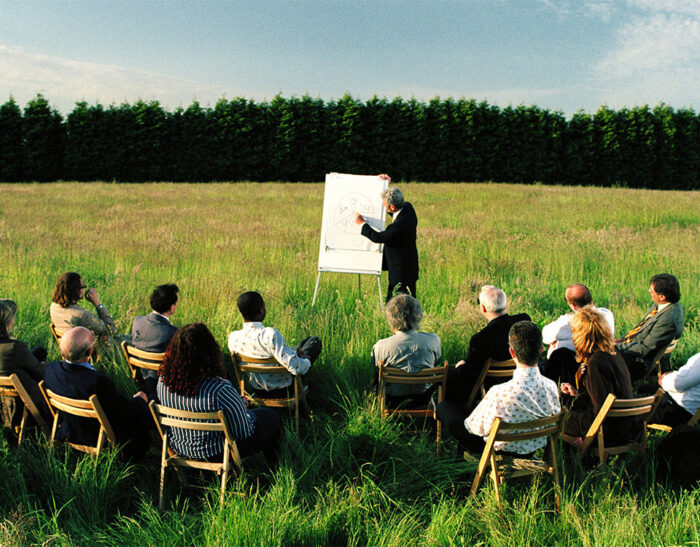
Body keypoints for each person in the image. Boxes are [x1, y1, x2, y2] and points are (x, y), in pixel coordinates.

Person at [158, 323, 281, 461]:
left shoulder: (162, 382)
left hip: (181, 448)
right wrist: (243, 411)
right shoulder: (219, 389)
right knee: (270, 416)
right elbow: (243, 432)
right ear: (209, 352)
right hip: (216, 452)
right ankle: (275, 465)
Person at [441, 321, 560, 456]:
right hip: (533, 447)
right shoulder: (551, 386)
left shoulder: (499, 392)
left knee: (443, 408)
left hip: (499, 451)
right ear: (541, 350)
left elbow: (474, 428)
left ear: (512, 352)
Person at [43, 327, 151, 461]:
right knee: (146, 405)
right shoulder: (98, 381)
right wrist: (139, 400)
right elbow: (124, 415)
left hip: (68, 430)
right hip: (95, 436)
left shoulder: (51, 370)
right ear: (90, 351)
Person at [443, 285, 530, 405]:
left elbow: (470, 375)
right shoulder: (523, 321)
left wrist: (460, 367)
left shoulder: (480, 339)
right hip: (521, 383)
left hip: (493, 388)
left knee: (451, 373)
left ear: (483, 308)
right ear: (505, 304)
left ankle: (453, 410)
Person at [563, 308, 636, 447]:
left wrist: (585, 435)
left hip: (609, 431)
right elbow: (604, 395)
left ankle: (557, 464)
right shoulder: (612, 353)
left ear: (580, 336)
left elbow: (600, 409)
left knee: (557, 419)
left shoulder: (596, 362)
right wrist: (578, 393)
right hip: (624, 425)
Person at [228, 291, 321, 398]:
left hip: (257, 389)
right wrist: (306, 360)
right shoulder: (270, 334)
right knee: (314, 341)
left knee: (297, 348)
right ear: (260, 310)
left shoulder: (233, 338)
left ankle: (294, 354)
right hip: (284, 389)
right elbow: (295, 367)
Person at [354, 175, 419, 303]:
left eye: (385, 205)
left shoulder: (397, 227)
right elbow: (394, 205)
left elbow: (378, 237)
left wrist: (362, 223)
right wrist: (385, 186)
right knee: (410, 302)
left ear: (392, 207)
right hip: (410, 267)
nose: (384, 207)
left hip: (400, 271)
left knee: (395, 303)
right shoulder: (408, 208)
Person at [372, 294, 441, 408]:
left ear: (391, 318)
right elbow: (437, 361)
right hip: (423, 396)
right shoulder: (433, 340)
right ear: (418, 316)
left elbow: (376, 369)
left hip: (393, 398)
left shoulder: (380, 346)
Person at [541, 284, 614, 389]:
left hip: (578, 371)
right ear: (590, 297)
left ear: (573, 305)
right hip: (599, 367)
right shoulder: (607, 314)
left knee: (560, 353)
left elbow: (546, 335)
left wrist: (557, 344)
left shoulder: (569, 322)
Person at [616, 273, 684, 380]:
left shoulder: (669, 319)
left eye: (652, 291)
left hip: (639, 360)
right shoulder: (663, 305)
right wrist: (619, 340)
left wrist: (615, 347)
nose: (649, 291)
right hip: (633, 347)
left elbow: (645, 349)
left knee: (599, 360)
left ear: (662, 297)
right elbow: (639, 329)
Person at [0, 299, 50, 430]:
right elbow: (39, 371)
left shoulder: (10, 348)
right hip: (26, 405)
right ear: (6, 323)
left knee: (38, 351)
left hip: (4, 401)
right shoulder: (14, 348)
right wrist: (45, 365)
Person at [131, 283, 179, 394]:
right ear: (171, 307)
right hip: (162, 385)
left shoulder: (137, 321)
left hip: (142, 379)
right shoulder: (173, 333)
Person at [639, 352, 700, 427]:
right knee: (643, 388)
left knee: (625, 409)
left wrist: (664, 379)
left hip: (678, 410)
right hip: (691, 411)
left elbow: (676, 384)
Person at [50, 272, 116, 337]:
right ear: (75, 290)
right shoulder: (82, 315)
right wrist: (98, 303)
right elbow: (110, 329)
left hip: (66, 344)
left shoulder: (54, 306)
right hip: (85, 346)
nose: (83, 289)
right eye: (82, 287)